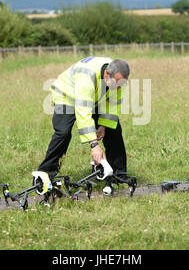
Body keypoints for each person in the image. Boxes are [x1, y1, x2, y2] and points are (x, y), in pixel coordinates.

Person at [34, 57, 130, 192]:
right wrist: (94, 144)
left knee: (113, 129)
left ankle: (118, 175)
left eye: (122, 84)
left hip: (92, 97)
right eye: (117, 83)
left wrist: (103, 125)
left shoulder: (118, 78)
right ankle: (45, 174)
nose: (119, 87)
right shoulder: (87, 76)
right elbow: (83, 111)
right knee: (63, 133)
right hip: (66, 96)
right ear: (107, 74)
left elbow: (112, 104)